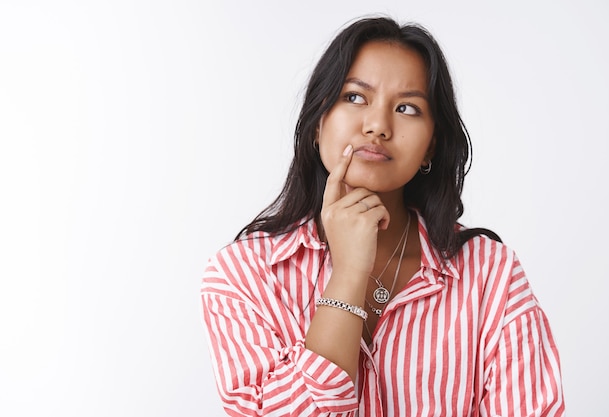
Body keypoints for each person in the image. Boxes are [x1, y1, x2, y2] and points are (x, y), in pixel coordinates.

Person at [201, 16, 565, 416]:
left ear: (430, 146)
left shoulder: (491, 275)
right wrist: (349, 274)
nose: (377, 126)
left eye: (407, 108)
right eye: (355, 97)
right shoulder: (243, 274)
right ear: (318, 122)